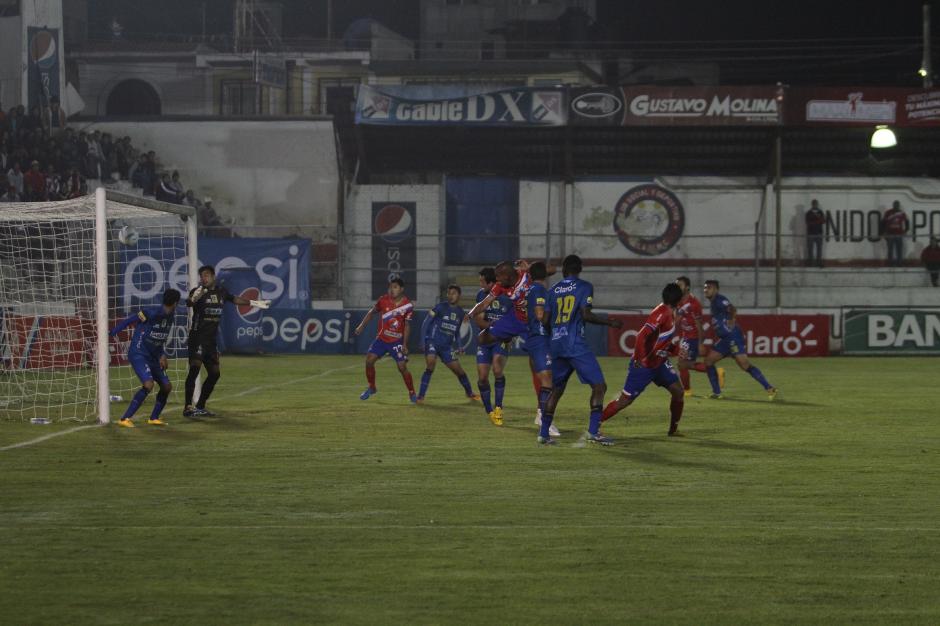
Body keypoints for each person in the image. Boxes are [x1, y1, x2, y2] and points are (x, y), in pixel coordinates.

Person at [540, 254, 623, 446]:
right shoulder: (584, 286)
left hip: (557, 345)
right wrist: (610, 322)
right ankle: (593, 432)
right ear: (580, 269)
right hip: (575, 344)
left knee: (556, 390)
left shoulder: (552, 290)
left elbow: (544, 321)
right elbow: (585, 314)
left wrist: (554, 335)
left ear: (563, 270)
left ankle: (543, 434)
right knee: (599, 386)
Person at [466, 259, 553, 428]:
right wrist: (470, 314)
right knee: (481, 339)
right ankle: (505, 338)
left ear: (507, 275)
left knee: (539, 366)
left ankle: (543, 412)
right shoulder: (500, 286)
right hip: (515, 319)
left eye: (499, 276)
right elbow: (485, 303)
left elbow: (551, 269)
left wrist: (531, 267)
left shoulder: (527, 276)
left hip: (532, 323)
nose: (497, 280)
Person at [600, 282, 686, 437]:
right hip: (645, 365)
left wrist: (676, 350)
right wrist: (639, 357)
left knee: (678, 391)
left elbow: (662, 339)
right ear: (679, 300)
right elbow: (642, 335)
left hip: (659, 363)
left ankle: (673, 429)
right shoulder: (662, 312)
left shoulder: (671, 312)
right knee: (625, 401)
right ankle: (595, 424)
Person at [183, 265, 270, 417]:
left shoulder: (221, 291)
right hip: (197, 338)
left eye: (207, 275)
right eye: (202, 276)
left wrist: (253, 303)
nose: (204, 278)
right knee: (194, 369)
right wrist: (193, 298)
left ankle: (201, 406)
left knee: (215, 374)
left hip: (211, 341)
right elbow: (189, 303)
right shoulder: (197, 292)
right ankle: (187, 407)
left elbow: (234, 299)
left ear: (213, 276)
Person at [109, 289, 182, 427]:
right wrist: (112, 332)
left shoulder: (171, 315)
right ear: (176, 303)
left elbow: (160, 337)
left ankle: (153, 418)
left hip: (154, 356)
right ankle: (124, 419)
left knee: (167, 386)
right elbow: (130, 320)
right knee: (149, 384)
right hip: (139, 353)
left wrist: (162, 354)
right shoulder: (151, 313)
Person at [700, 280, 777, 400]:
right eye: (705, 288)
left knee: (745, 365)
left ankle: (770, 388)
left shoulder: (720, 300)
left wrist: (731, 321)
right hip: (725, 339)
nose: (706, 290)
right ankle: (717, 392)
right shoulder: (714, 302)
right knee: (708, 361)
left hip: (732, 337)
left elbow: (732, 309)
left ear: (716, 289)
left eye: (709, 288)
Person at [354, 277, 418, 403]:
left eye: (395, 287)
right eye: (390, 287)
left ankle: (412, 392)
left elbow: (407, 325)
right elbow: (371, 312)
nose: (392, 290)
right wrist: (361, 326)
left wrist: (404, 344)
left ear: (401, 289)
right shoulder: (383, 300)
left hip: (396, 342)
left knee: (402, 367)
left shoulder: (408, 305)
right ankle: (372, 387)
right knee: (369, 361)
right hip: (382, 339)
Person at [416, 284, 479, 403]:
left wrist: (460, 346)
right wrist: (422, 340)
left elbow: (456, 332)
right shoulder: (440, 307)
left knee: (459, 371)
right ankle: (421, 396)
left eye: (453, 293)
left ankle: (470, 393)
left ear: (459, 295)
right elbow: (426, 322)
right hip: (432, 341)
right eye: (449, 293)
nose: (451, 296)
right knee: (430, 364)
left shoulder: (460, 313)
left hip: (446, 347)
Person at [472, 267, 512, 426]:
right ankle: (489, 410)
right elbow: (479, 320)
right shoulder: (481, 295)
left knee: (497, 369)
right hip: (486, 339)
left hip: (501, 340)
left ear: (491, 282)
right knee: (482, 378)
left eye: (482, 281)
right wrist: (496, 327)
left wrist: (505, 331)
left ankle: (498, 407)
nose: (481, 285)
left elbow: (514, 319)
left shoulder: (508, 296)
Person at [674, 276, 720, 397]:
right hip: (685, 337)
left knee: (683, 364)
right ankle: (687, 390)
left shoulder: (694, 304)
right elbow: (676, 320)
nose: (677, 288)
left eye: (680, 285)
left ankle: (714, 372)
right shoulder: (678, 301)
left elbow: (699, 325)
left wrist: (700, 343)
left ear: (687, 287)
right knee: (683, 364)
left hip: (693, 338)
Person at [882, 200, 909, 266]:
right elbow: (883, 222)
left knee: (899, 249)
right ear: (893, 205)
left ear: (898, 206)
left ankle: (899, 263)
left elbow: (907, 221)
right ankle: (890, 263)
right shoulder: (888, 212)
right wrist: (884, 232)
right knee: (890, 249)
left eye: (897, 205)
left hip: (899, 234)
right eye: (895, 204)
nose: (896, 206)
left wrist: (906, 230)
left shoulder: (902, 213)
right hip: (890, 234)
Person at [805, 199, 825, 267]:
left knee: (819, 249)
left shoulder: (820, 212)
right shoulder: (808, 213)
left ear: (817, 204)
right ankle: (811, 263)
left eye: (816, 204)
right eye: (814, 204)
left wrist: (816, 220)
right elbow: (808, 223)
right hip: (811, 233)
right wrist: (817, 221)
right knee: (810, 249)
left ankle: (819, 262)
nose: (815, 205)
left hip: (819, 233)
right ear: (812, 204)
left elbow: (823, 221)